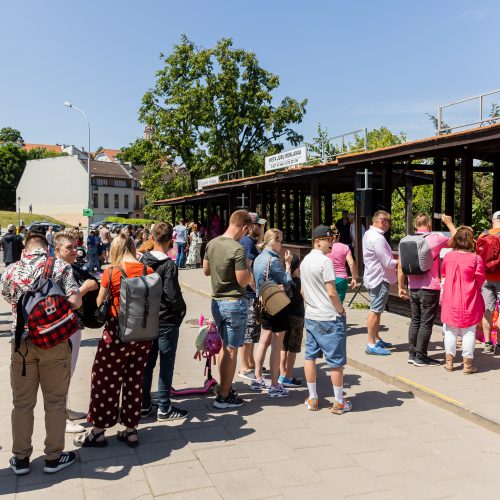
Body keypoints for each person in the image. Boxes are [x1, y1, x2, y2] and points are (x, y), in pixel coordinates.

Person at [0, 233, 82, 475]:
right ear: (47, 250)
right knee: (55, 402)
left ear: (25, 250)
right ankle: (53, 457)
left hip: (22, 345)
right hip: (54, 341)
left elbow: (9, 299)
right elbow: (75, 301)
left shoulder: (11, 270)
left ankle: (21, 459)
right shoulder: (59, 266)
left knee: (22, 403)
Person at [75, 233, 154, 448]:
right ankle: (131, 430)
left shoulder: (111, 272)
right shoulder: (149, 270)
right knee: (134, 381)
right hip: (142, 335)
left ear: (116, 249)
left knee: (105, 380)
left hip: (116, 336)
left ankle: (99, 430)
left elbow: (100, 302)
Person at [203, 210, 252, 409]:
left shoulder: (212, 243)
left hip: (217, 301)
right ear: (244, 227)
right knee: (231, 349)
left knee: (225, 346)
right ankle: (223, 396)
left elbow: (206, 271)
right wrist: (248, 269)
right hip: (234, 303)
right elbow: (242, 280)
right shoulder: (238, 249)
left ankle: (225, 386)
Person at [140, 223, 188, 421]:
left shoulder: (143, 260)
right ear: (171, 240)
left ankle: (143, 404)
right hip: (167, 320)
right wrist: (181, 310)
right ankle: (164, 407)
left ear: (152, 237)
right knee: (166, 365)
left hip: (146, 319)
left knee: (147, 364)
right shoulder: (168, 265)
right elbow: (172, 294)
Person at [300, 225, 350, 414]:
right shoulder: (325, 262)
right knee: (336, 361)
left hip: (311, 315)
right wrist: (341, 310)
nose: (332, 243)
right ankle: (338, 402)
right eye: (328, 240)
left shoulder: (305, 261)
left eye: (332, 239)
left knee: (310, 356)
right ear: (317, 241)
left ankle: (313, 397)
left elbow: (303, 291)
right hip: (329, 316)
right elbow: (331, 292)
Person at [53, 231, 99, 433]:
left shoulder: (70, 268)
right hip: (63, 327)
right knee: (62, 373)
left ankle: (65, 410)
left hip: (74, 326)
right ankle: (60, 419)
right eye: (68, 248)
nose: (74, 251)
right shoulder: (55, 270)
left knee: (68, 371)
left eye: (75, 246)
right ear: (57, 250)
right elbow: (60, 302)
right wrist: (85, 289)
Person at [398, 213, 457, 366]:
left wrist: (400, 286)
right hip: (430, 288)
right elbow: (458, 240)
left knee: (415, 320)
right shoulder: (435, 238)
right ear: (429, 223)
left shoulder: (405, 240)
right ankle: (421, 357)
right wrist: (449, 224)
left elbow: (400, 266)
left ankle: (412, 354)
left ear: (415, 225)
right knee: (426, 323)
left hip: (413, 287)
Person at [251, 229, 293, 398]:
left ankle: (257, 378)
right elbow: (287, 282)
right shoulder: (273, 260)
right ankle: (275, 385)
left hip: (262, 303)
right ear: (273, 241)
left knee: (263, 341)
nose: (282, 244)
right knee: (277, 344)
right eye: (281, 241)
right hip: (277, 304)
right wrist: (288, 265)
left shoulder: (259, 257)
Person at [441, 226, 486, 374]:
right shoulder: (476, 258)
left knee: (450, 330)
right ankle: (467, 365)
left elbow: (444, 274)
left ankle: (449, 362)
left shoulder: (448, 256)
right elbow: (480, 279)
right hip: (469, 297)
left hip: (450, 297)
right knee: (469, 330)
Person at [362, 210, 398, 356]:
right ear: (382, 221)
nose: (389, 225)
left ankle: (376, 339)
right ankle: (371, 343)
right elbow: (388, 262)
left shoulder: (368, 234)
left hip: (373, 276)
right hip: (379, 278)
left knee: (377, 311)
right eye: (388, 221)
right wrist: (401, 263)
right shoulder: (378, 238)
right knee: (375, 311)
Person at [237, 212, 264, 380]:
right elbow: (247, 270)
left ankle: (250, 362)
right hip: (249, 293)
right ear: (251, 226)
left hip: (249, 293)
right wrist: (257, 290)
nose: (262, 228)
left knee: (252, 331)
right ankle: (244, 366)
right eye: (259, 225)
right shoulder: (247, 242)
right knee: (248, 331)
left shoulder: (249, 242)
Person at [279, 254, 304, 388]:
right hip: (296, 317)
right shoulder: (297, 282)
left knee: (283, 346)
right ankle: (288, 376)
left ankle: (282, 373)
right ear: (298, 267)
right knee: (293, 347)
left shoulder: (283, 280)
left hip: (284, 315)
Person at [479, 211, 500, 354]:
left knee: (488, 310)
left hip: (486, 278)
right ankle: (499, 345)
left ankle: (487, 344)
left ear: (493, 221)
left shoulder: (483, 235)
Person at [327, 224, 357, 303]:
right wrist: (354, 278)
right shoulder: (345, 247)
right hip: (341, 279)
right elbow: (351, 263)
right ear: (339, 235)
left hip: (327, 278)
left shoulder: (325, 248)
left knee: (328, 304)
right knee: (339, 304)